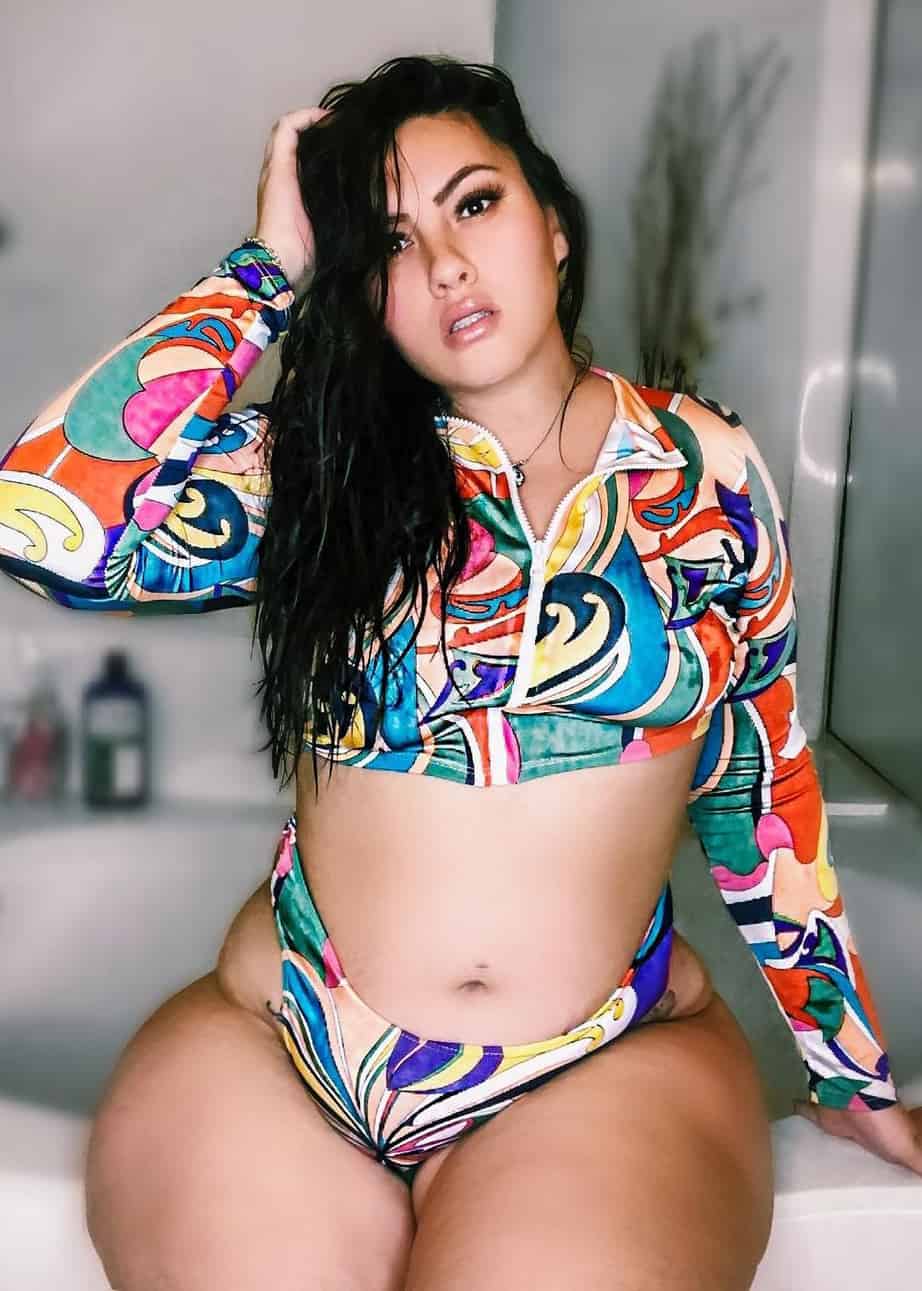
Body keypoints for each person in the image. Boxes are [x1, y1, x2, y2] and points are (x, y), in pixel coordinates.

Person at [1, 52, 918, 1291]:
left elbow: (756, 782)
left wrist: (850, 1074)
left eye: (473, 204)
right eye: (388, 241)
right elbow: (41, 522)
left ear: (553, 225)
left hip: (591, 1063)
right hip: (284, 1045)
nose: (441, 263)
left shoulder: (701, 475)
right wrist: (268, 264)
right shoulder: (317, 474)